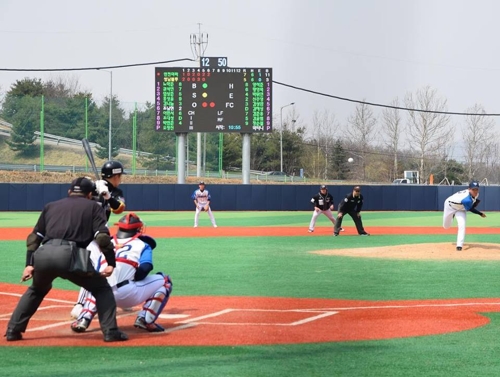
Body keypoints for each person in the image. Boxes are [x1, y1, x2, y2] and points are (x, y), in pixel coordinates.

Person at [4, 177, 128, 342]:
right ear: (90, 194)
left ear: (69, 191)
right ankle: (110, 332)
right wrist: (111, 263)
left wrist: (29, 264)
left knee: (36, 290)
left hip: (43, 254)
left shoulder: (51, 206)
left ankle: (13, 330)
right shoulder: (93, 206)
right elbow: (103, 238)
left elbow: (34, 238)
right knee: (101, 289)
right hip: (70, 255)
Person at [71, 212, 173, 333]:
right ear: (138, 229)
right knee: (165, 281)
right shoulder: (143, 244)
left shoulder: (106, 242)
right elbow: (146, 268)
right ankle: (146, 319)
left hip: (102, 294)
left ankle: (84, 318)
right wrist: (133, 276)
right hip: (127, 294)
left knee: (97, 282)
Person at [71, 160, 127, 318]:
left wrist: (108, 196)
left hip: (102, 232)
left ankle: (118, 295)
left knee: (116, 259)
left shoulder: (115, 191)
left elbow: (119, 209)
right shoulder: (92, 188)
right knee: (93, 266)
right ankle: (80, 304)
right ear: (114, 176)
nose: (121, 178)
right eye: (119, 175)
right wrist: (93, 187)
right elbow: (76, 197)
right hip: (86, 233)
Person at [443, 180, 486, 251]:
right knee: (446, 226)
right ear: (469, 189)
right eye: (473, 189)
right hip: (450, 206)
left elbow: (472, 203)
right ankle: (452, 216)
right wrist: (480, 213)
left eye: (477, 189)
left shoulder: (476, 194)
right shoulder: (466, 199)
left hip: (461, 208)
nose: (475, 191)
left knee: (462, 225)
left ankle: (459, 245)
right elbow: (470, 208)